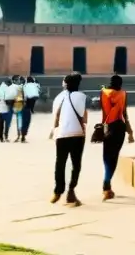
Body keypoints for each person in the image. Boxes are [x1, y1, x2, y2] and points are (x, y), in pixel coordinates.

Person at [50, 72, 88, 207]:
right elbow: (85, 118)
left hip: (61, 135)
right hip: (77, 134)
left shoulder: (58, 97)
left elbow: (55, 117)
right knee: (75, 164)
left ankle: (57, 191)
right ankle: (71, 191)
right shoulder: (81, 97)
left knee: (60, 162)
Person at [99, 74, 135, 200]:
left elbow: (104, 109)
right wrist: (130, 131)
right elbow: (124, 114)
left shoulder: (103, 93)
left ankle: (107, 182)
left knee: (106, 156)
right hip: (119, 128)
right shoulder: (123, 94)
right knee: (113, 158)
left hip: (106, 128)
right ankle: (106, 183)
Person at [21, 76, 41, 141]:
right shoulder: (35, 84)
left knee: (25, 120)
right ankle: (31, 109)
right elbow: (38, 87)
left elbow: (24, 94)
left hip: (26, 102)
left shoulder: (25, 85)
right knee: (32, 103)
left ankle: (22, 135)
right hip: (34, 97)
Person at [0, 77, 14, 142]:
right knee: (7, 125)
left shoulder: (1, 89)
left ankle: (1, 137)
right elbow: (8, 102)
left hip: (0, 111)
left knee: (0, 125)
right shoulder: (7, 90)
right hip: (6, 111)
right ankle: (5, 137)